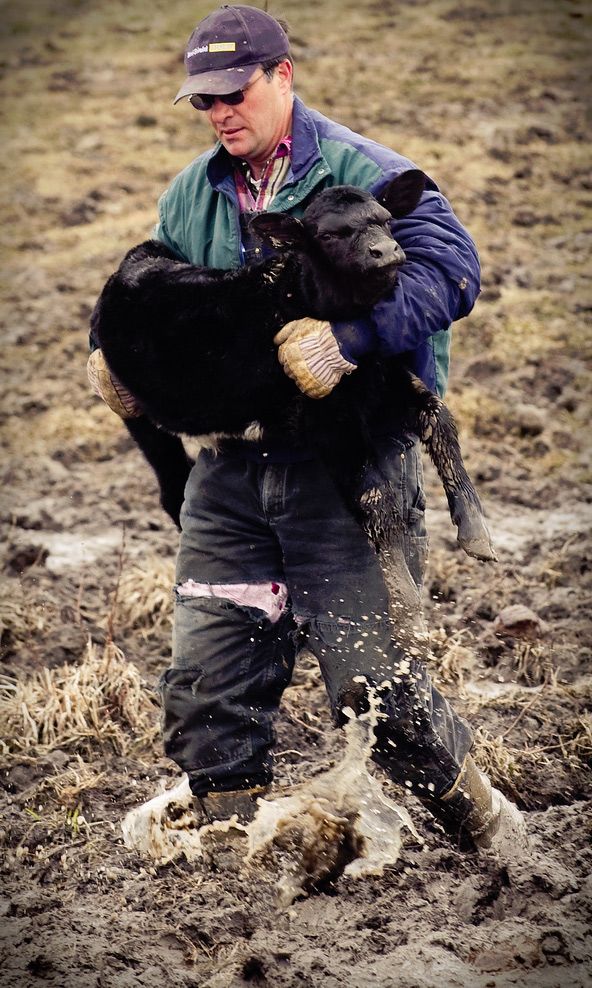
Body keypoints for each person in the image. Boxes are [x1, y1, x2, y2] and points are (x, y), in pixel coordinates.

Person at [89, 5, 525, 851]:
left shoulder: (370, 172)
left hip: (347, 463)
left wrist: (351, 339)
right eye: (204, 101)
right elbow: (150, 284)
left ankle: (494, 836)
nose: (221, 113)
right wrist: (107, 353)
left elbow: (454, 271)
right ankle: (234, 859)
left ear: (283, 77)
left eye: (235, 92)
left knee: (378, 689)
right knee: (208, 680)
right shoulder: (193, 190)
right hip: (229, 469)